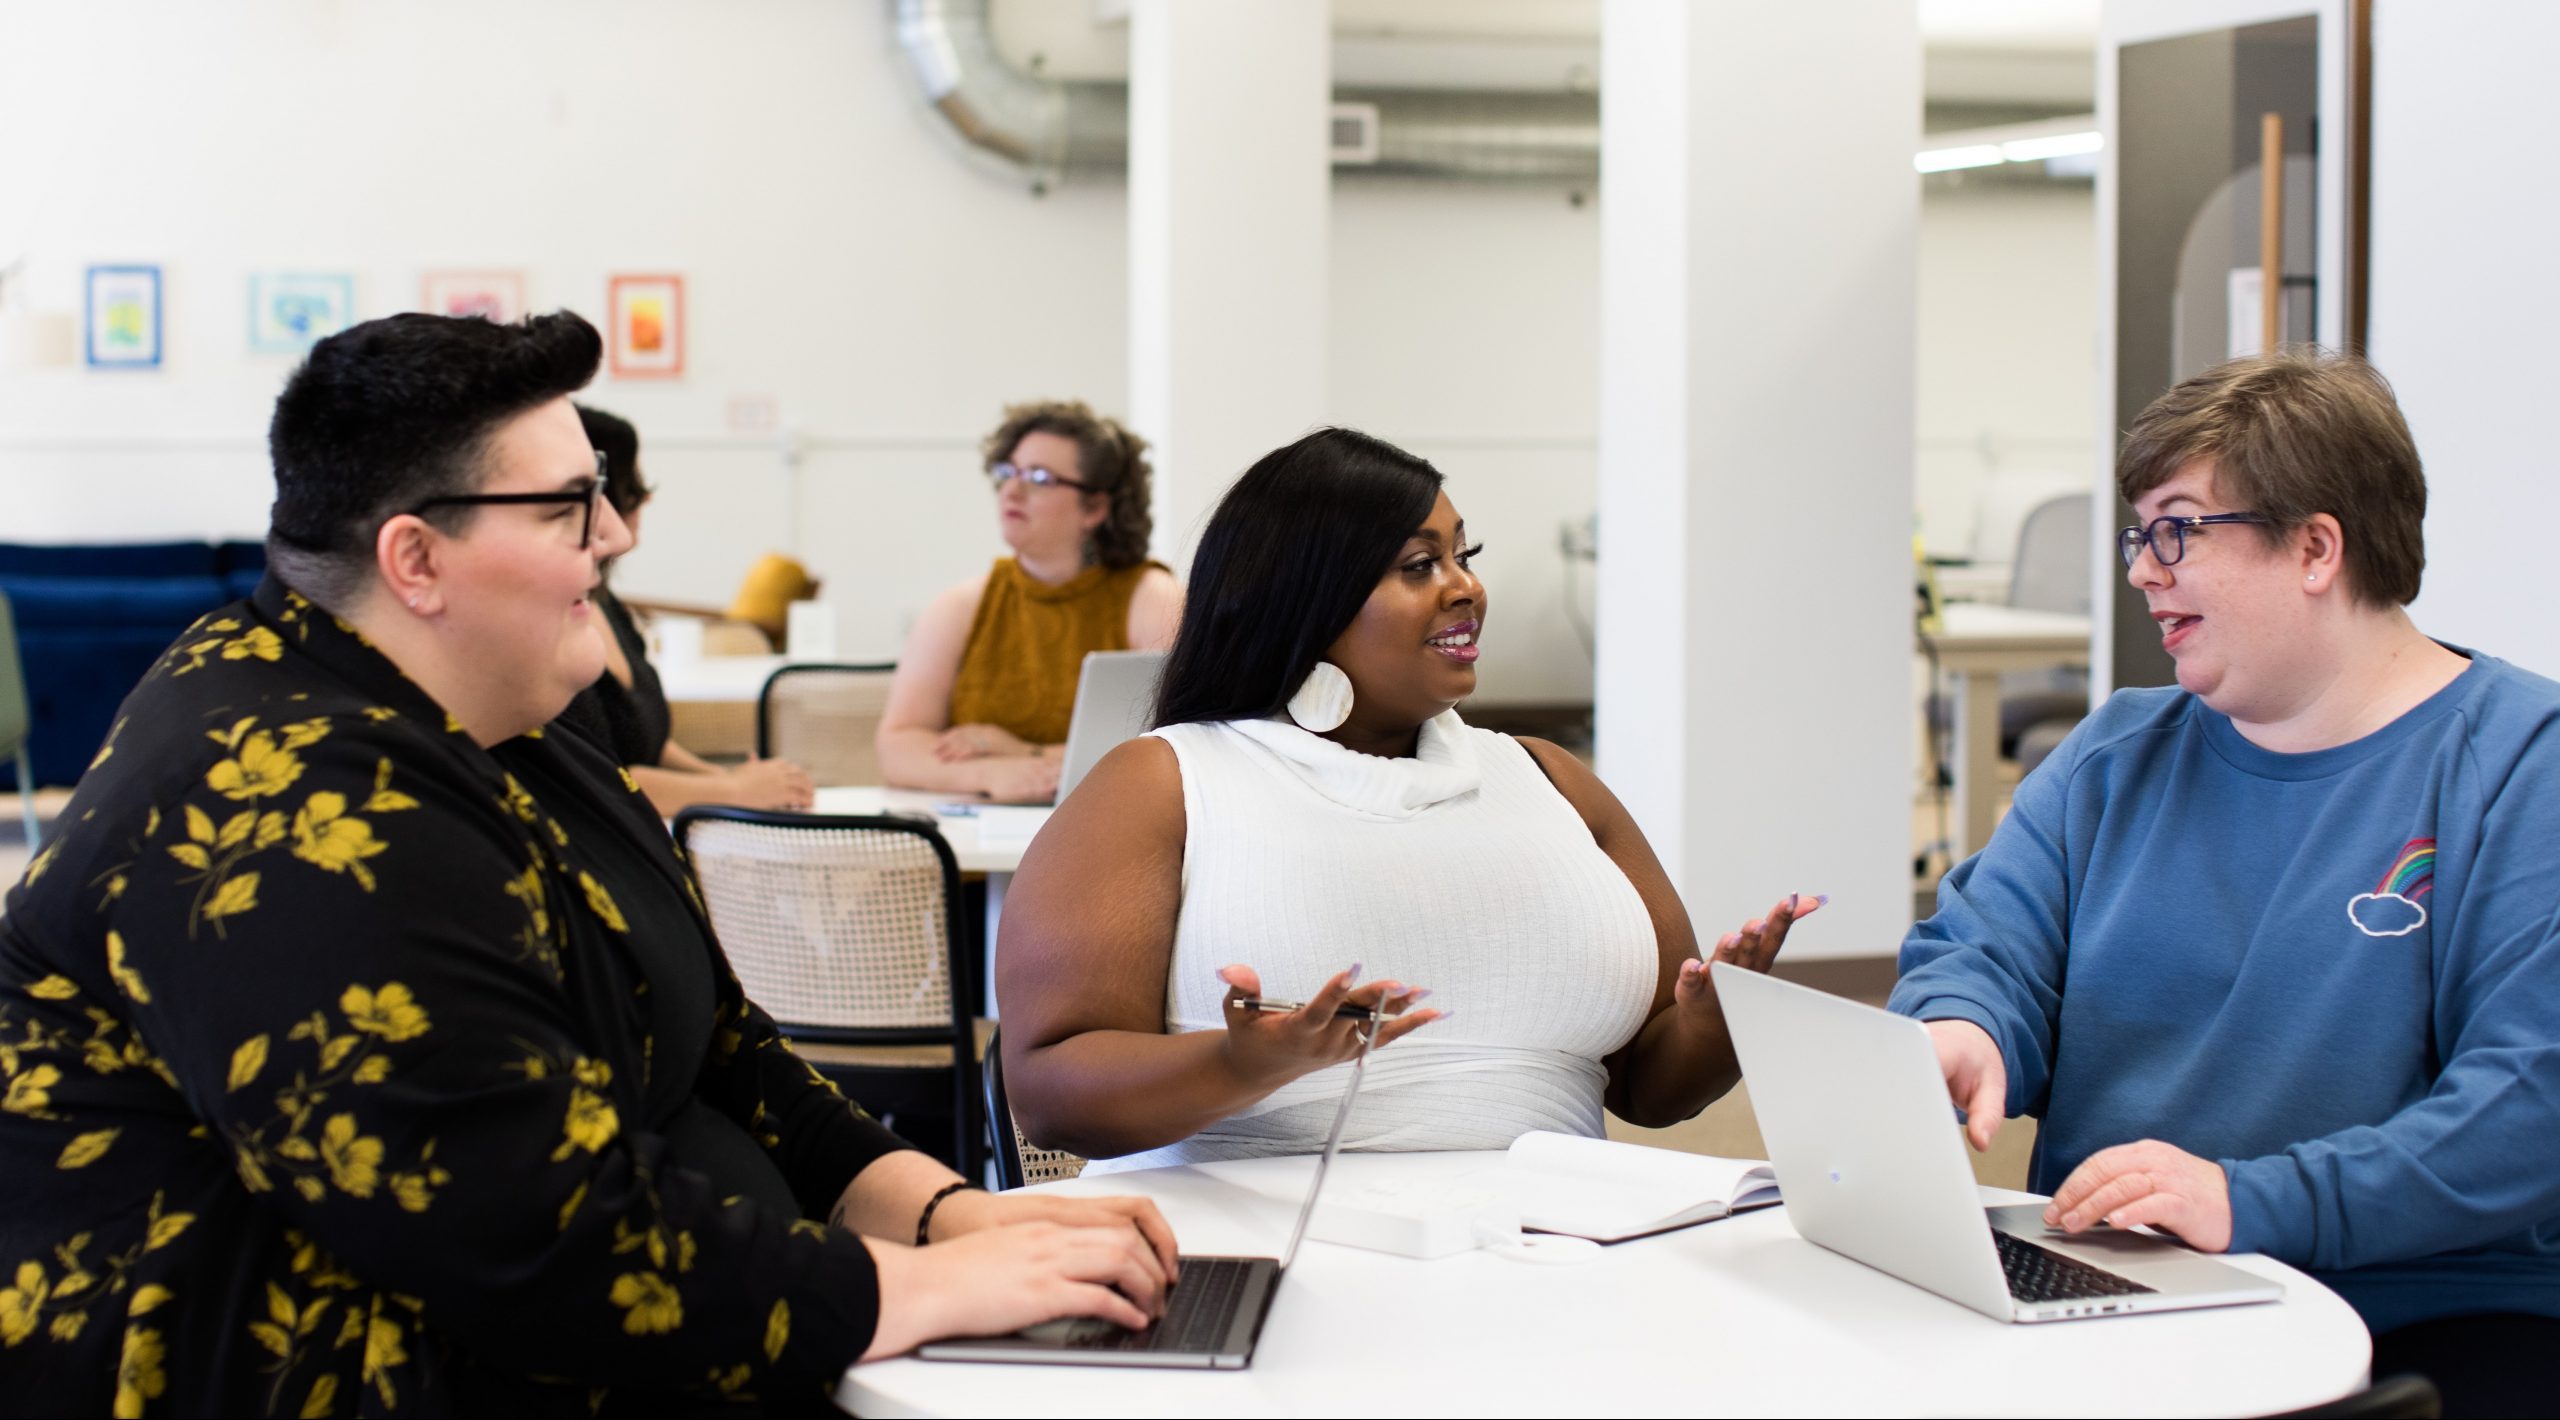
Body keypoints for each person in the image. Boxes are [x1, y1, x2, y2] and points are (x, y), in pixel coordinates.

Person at [0, 313, 1180, 1415]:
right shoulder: (288, 794)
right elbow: (525, 1236)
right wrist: (920, 1291)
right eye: (571, 506)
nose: (614, 536)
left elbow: (730, 1054)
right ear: (417, 559)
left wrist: (949, 1215)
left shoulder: (512, 722)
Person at [1890, 350, 2560, 1415]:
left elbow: (2529, 1107)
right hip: (2123, 1282)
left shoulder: (2521, 766)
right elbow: (1983, 949)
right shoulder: (2114, 754)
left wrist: (2249, 1200)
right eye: (2137, 536)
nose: (2142, 572)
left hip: (2423, 1310)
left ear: (2314, 546)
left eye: (2177, 531)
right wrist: (1963, 1024)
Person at [994, 427, 1816, 1171]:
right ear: (1304, 605)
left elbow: (1650, 1088)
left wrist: (1716, 1020)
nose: (1465, 588)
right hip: (1250, 1255)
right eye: (1419, 566)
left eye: (1465, 555)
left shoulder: (1548, 779)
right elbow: (1050, 1091)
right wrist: (1242, 1065)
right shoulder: (1166, 781)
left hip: (1546, 1257)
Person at [875, 400, 1181, 802]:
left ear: (1095, 507)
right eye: (1008, 472)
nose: (1012, 490)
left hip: (1109, 831)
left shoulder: (1153, 598)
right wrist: (993, 773)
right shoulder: (960, 607)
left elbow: (1182, 739)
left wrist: (1024, 752)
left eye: (1039, 477)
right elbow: (896, 747)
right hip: (980, 844)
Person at [558, 404, 814, 814]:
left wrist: (731, 779)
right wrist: (735, 791)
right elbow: (600, 777)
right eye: (634, 485)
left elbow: (649, 745)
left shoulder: (609, 607)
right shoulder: (555, 624)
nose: (646, 499)